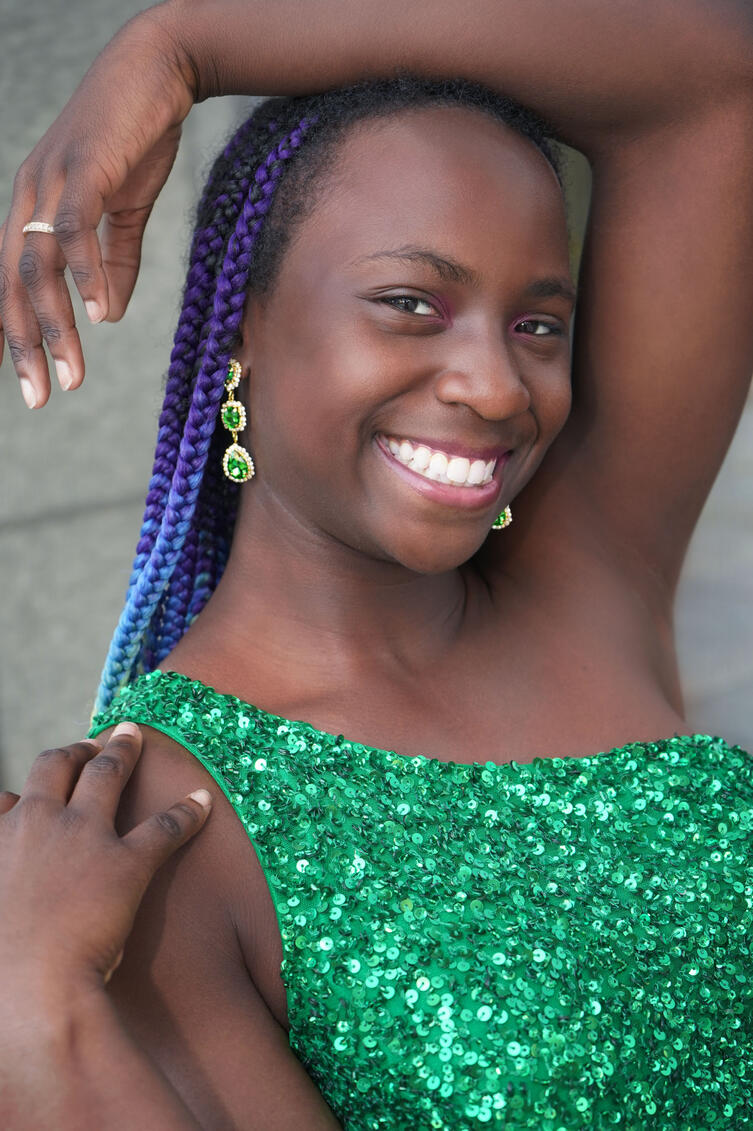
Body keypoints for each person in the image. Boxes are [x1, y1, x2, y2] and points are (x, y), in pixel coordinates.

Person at [1, 2, 753, 1128]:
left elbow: (710, 84)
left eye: (537, 324)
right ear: (241, 327)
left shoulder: (581, 571)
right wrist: (33, 1009)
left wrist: (183, 47)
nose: (495, 387)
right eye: (411, 304)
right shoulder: (164, 816)